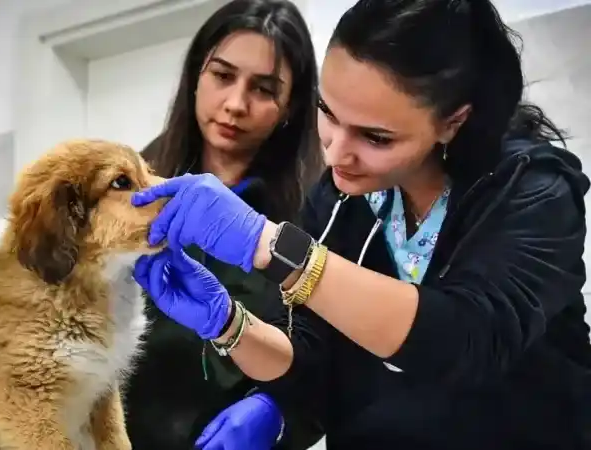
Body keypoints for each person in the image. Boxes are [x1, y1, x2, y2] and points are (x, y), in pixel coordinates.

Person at [132, 0, 591, 449]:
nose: (334, 153)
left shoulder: (532, 188)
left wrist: (268, 243)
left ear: (453, 122)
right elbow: (311, 362)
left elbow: (466, 338)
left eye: (375, 137)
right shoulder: (339, 199)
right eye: (328, 112)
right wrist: (229, 325)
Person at [122, 1, 325, 449]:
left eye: (264, 89)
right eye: (222, 75)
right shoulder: (132, 185)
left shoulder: (316, 212)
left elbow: (333, 365)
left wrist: (279, 413)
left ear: (291, 104)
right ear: (196, 75)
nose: (235, 104)